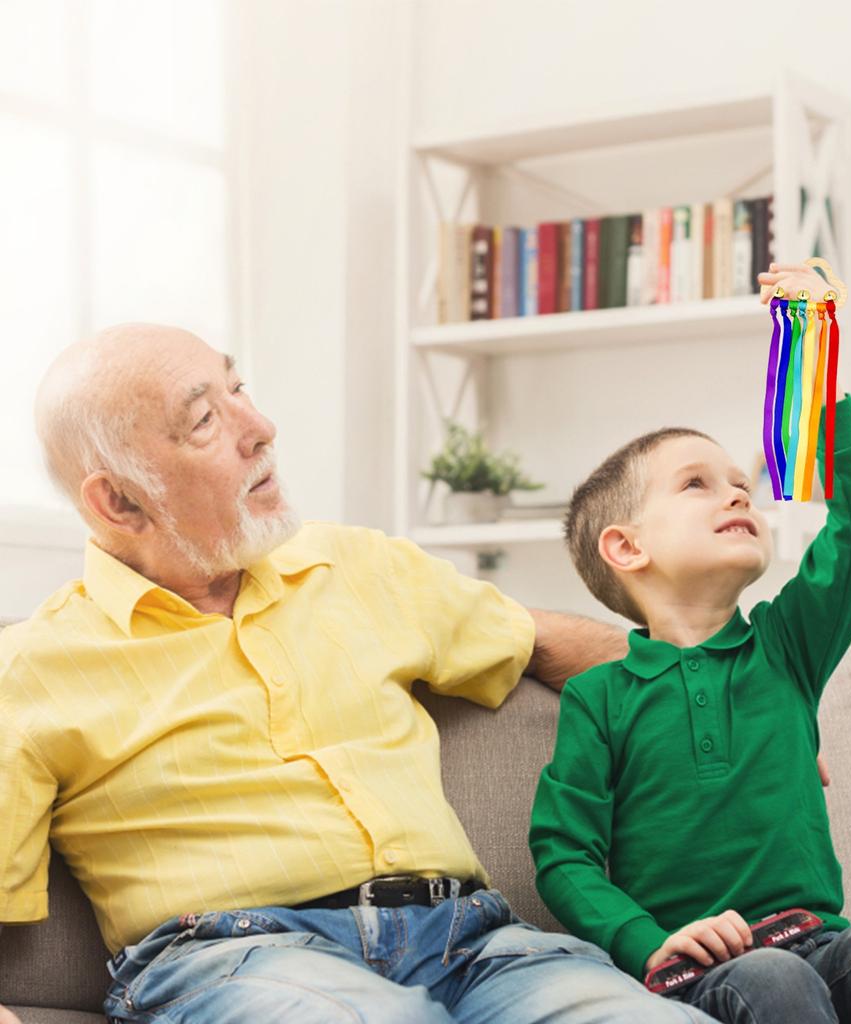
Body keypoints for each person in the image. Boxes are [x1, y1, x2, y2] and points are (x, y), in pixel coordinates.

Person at [0, 324, 723, 1024]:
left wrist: (729, 706)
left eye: (239, 388)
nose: (261, 426)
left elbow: (543, 641)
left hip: (471, 942)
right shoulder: (35, 666)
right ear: (118, 501)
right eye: (203, 421)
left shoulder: (360, 568)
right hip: (236, 959)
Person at [529, 264, 851, 1023]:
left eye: (740, 483)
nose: (736, 492)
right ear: (625, 548)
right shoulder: (601, 697)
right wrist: (648, 940)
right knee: (772, 980)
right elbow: (564, 854)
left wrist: (815, 370)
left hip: (822, 944)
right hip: (699, 975)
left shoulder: (786, 647)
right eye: (696, 484)